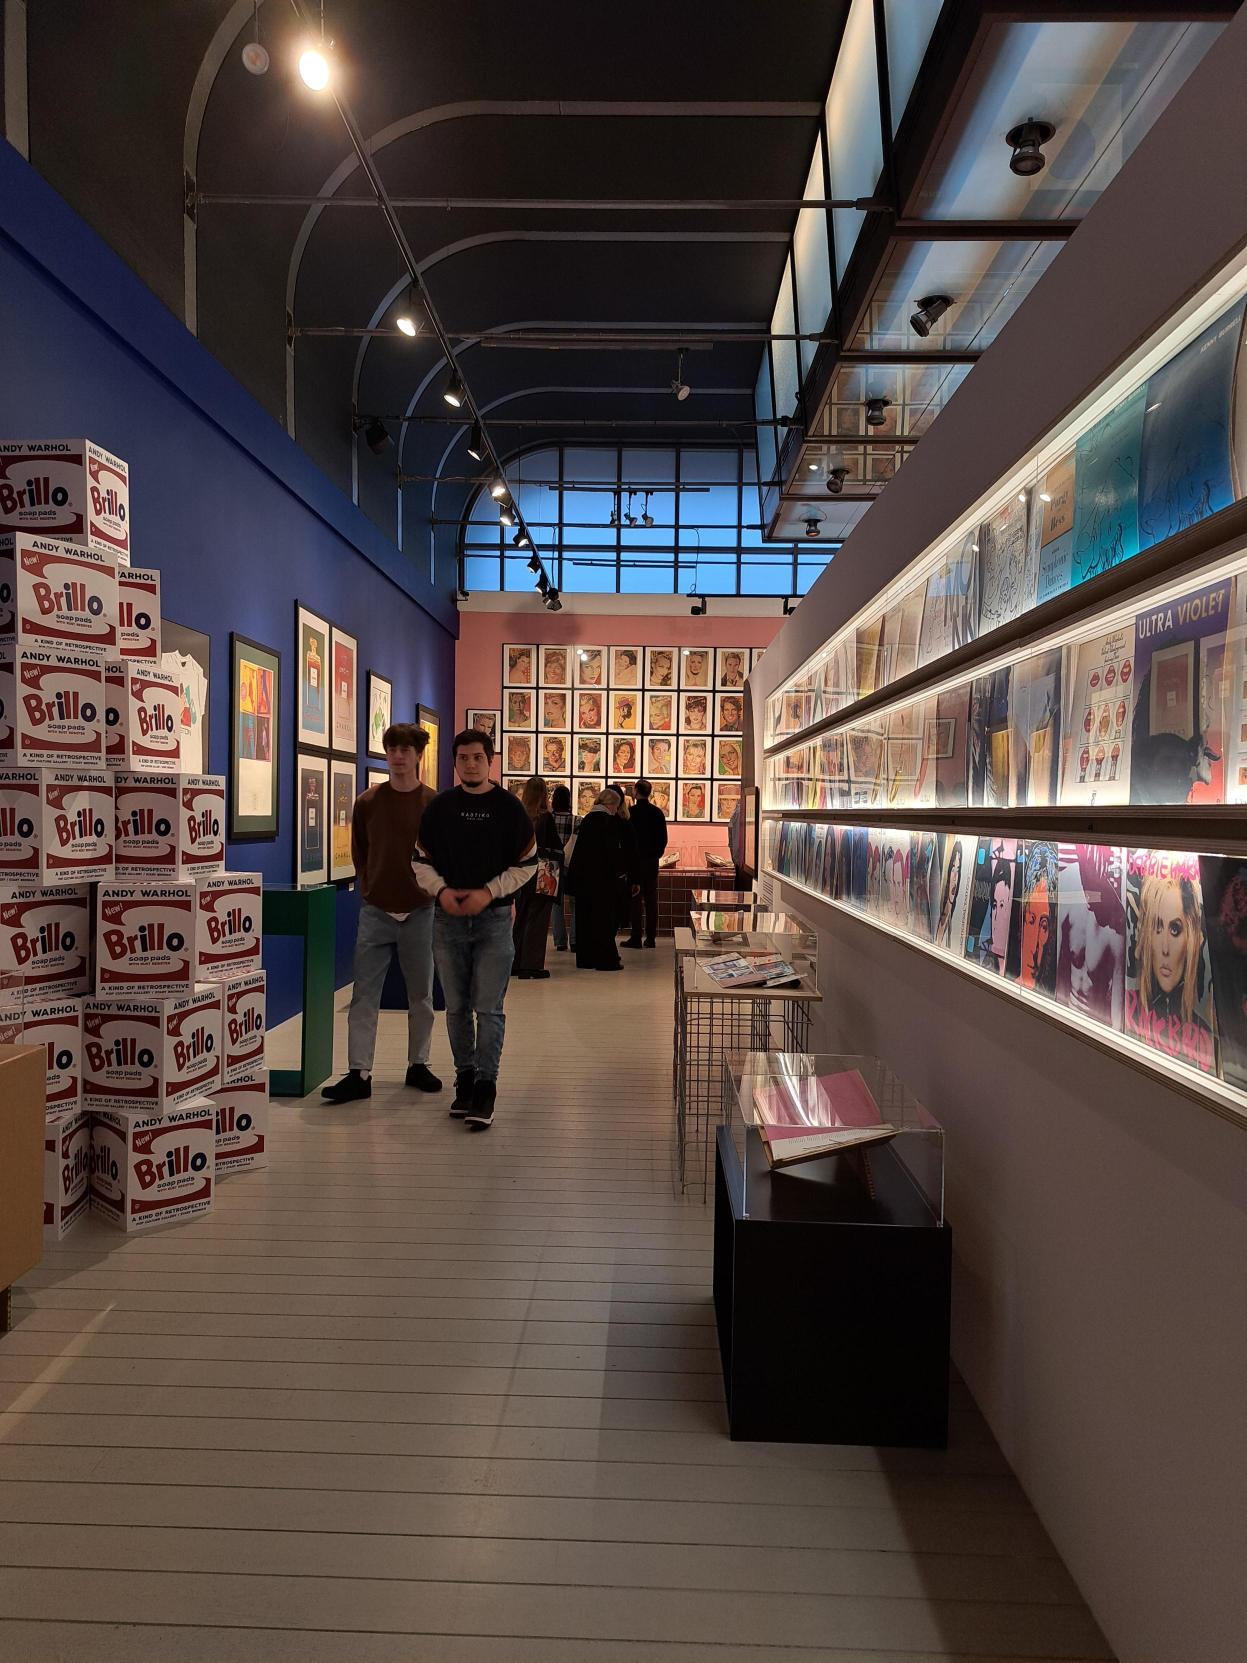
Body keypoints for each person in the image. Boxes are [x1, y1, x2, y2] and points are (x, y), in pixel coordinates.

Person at [413, 728, 537, 1131]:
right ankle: (464, 1079)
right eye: (463, 758)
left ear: (490, 761)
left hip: (494, 921)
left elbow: (527, 863)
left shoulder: (509, 808)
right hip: (447, 921)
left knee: (489, 1008)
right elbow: (420, 861)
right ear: (454, 762)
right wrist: (442, 891)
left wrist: (489, 892)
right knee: (456, 1007)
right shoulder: (440, 808)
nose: (470, 764)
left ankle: (486, 1085)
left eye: (478, 758)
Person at [322, 723, 441, 1104]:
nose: (398, 756)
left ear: (418, 755)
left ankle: (418, 1064)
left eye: (405, 749)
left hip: (420, 910)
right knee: (364, 995)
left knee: (420, 994)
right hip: (376, 911)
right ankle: (359, 1072)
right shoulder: (368, 802)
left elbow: (441, 856)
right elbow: (361, 851)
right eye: (392, 749)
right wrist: (370, 885)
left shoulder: (432, 803)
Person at [567, 789, 634, 971]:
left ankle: (585, 959)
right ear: (611, 805)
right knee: (603, 921)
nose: (616, 810)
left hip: (583, 880)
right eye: (616, 806)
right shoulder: (607, 822)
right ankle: (606, 960)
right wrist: (621, 873)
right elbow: (612, 853)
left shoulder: (587, 819)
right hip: (603, 881)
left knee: (585, 920)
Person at [512, 776, 559, 980]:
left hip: (521, 873)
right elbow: (554, 846)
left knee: (521, 917)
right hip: (542, 873)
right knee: (538, 918)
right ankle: (531, 964)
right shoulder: (545, 817)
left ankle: (515, 961)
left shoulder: (519, 815)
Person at [622, 778, 667, 949]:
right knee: (651, 900)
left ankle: (636, 937)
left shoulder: (630, 813)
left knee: (635, 899)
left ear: (635, 791)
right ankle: (651, 938)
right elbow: (663, 839)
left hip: (634, 862)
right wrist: (656, 855)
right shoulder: (657, 813)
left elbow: (626, 840)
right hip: (651, 862)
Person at [549, 784, 575, 952]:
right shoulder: (577, 820)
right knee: (574, 902)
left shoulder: (548, 819)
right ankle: (575, 940)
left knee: (556, 905)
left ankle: (560, 941)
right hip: (571, 865)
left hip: (553, 864)